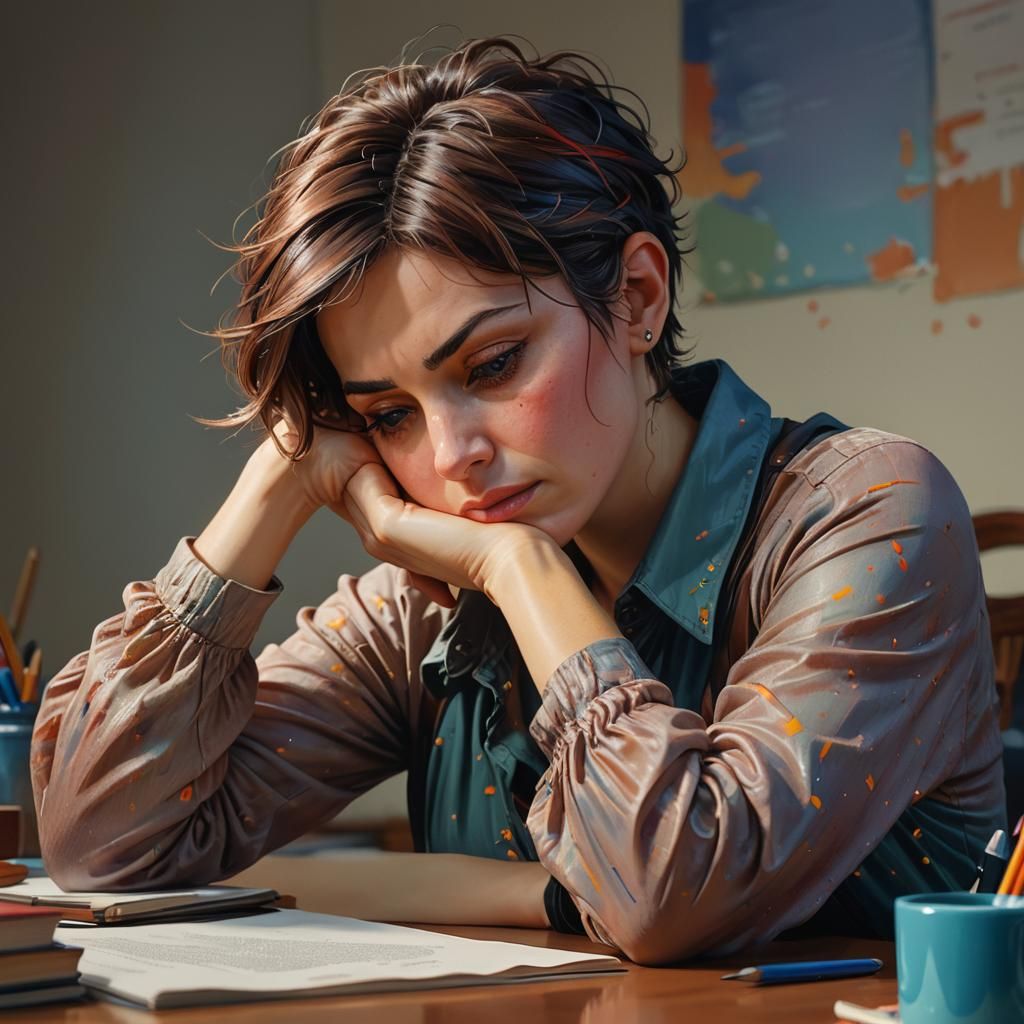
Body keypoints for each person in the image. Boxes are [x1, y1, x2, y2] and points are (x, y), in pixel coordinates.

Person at [30, 34, 1005, 965]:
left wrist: (520, 566)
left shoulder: (867, 511)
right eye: (389, 414)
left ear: (636, 296)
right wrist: (280, 473)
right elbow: (101, 843)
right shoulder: (420, 608)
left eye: (492, 364)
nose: (451, 458)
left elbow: (671, 892)